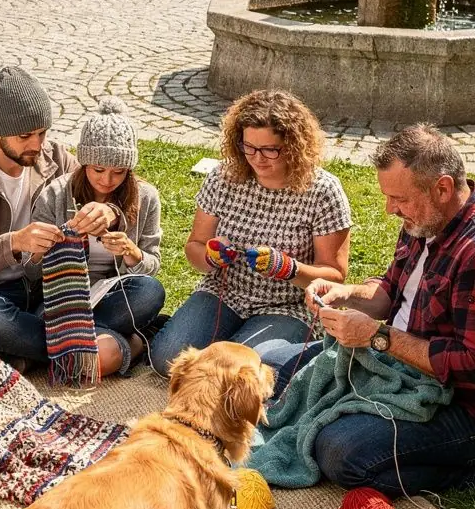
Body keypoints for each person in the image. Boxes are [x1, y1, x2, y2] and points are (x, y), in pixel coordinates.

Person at [293, 125, 475, 497]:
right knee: (289, 375)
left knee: (338, 453)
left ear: (443, 188)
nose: (389, 209)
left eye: (398, 198)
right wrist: (346, 292)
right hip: (406, 371)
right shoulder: (426, 219)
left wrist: (376, 337)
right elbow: (389, 293)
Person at [151, 90, 352, 378]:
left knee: (234, 374)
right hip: (225, 293)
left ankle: (288, 350)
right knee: (168, 358)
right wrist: (210, 256)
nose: (258, 158)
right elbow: (194, 246)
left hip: (288, 305)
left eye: (270, 149)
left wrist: (287, 267)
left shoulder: (322, 191)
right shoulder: (224, 177)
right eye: (249, 147)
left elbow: (333, 274)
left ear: (294, 146)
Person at [0, 67, 120, 368]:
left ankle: (22, 354)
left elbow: (110, 189)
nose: (37, 144)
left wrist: (108, 210)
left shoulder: (55, 159)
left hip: (46, 286)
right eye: (25, 136)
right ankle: (99, 348)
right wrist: (14, 243)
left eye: (42, 132)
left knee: (143, 293)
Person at [32, 97, 165, 375]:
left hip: (116, 295)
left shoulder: (146, 197)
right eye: (98, 170)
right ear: (83, 164)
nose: (107, 180)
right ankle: (135, 342)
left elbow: (152, 264)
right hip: (62, 296)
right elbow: (30, 267)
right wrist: (52, 245)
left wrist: (131, 252)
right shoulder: (56, 194)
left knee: (150, 291)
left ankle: (64, 342)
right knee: (94, 355)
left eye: (119, 172)